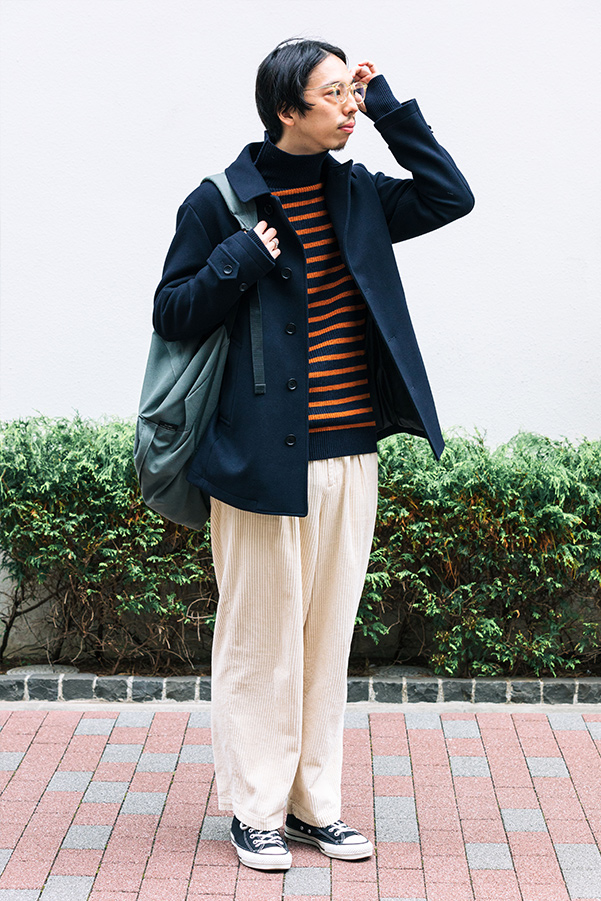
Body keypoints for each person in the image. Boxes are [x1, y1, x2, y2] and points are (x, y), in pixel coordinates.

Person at [153, 38, 474, 871]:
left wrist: (390, 103)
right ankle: (254, 809)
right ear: (285, 110)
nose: (348, 106)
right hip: (256, 461)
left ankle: (311, 806)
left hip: (348, 453)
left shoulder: (358, 192)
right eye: (333, 94)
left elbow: (449, 194)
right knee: (259, 641)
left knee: (326, 641)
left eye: (350, 91)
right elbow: (172, 312)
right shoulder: (219, 203)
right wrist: (235, 261)